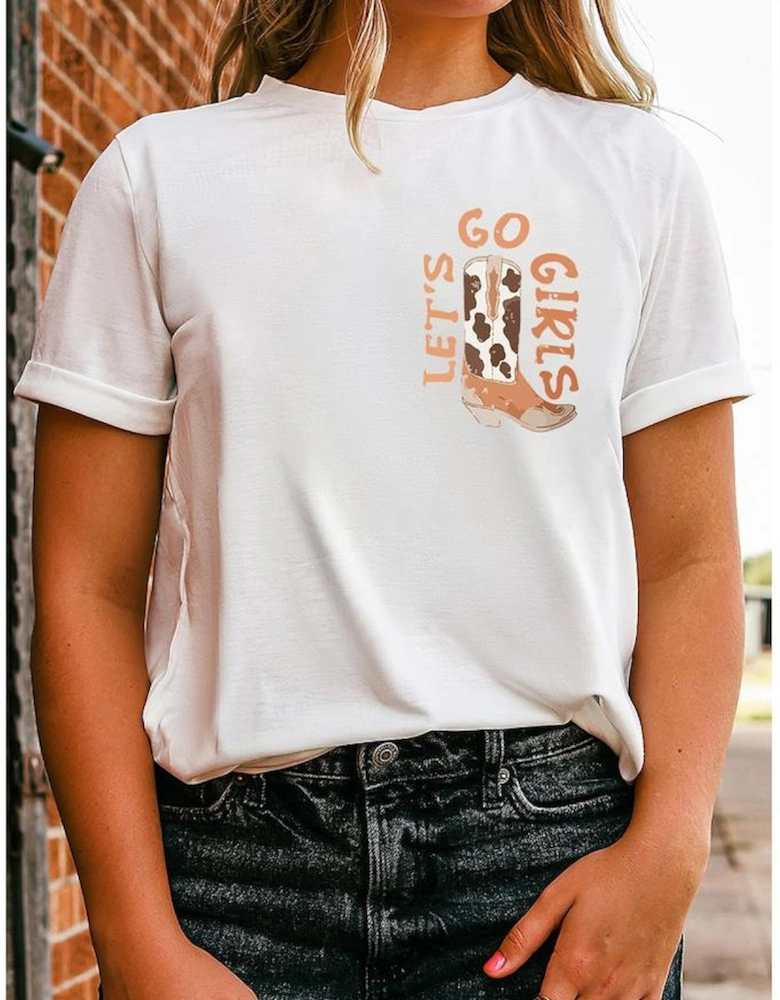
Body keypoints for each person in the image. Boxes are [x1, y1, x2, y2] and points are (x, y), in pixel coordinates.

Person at [13, 0, 756, 998]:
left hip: (542, 874)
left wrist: (671, 851)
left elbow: (692, 559)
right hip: (233, 891)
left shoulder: (632, 173)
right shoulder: (160, 181)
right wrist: (136, 935)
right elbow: (83, 584)